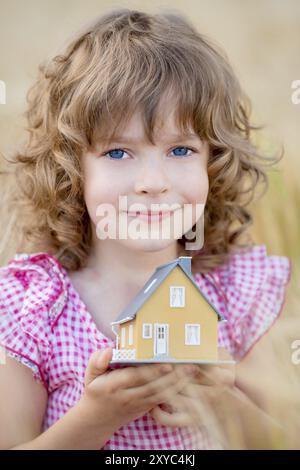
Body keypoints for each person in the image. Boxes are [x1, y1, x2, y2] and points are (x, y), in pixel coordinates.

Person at [0, 8, 291, 450]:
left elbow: (284, 438)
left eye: (180, 150)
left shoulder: (235, 293)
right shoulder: (33, 309)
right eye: (118, 152)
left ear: (212, 159)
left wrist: (221, 404)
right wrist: (96, 417)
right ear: (72, 169)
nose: (153, 183)